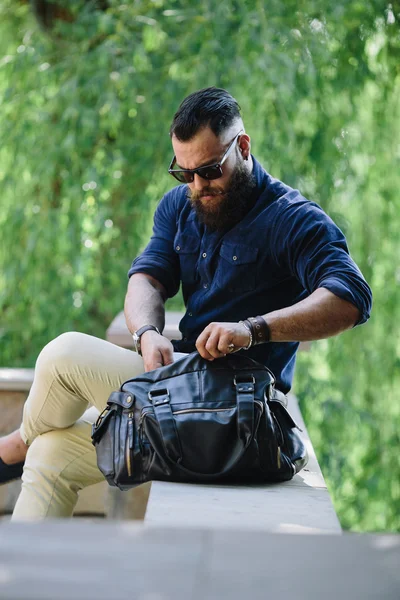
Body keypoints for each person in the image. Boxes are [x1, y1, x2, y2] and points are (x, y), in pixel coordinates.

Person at [0, 87, 372, 519]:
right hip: (183, 395)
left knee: (64, 355)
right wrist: (146, 333)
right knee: (50, 455)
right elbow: (147, 277)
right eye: (185, 172)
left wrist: (253, 329)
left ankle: (14, 444)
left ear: (243, 147)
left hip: (242, 413)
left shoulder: (291, 217)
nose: (198, 185)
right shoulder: (180, 206)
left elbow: (351, 296)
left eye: (211, 170)